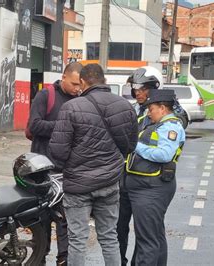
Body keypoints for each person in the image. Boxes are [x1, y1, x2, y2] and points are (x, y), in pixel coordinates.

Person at [48, 63, 138, 266]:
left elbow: (58, 151)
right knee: (109, 237)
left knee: (77, 240)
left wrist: (73, 164)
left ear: (82, 81)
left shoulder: (71, 107)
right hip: (109, 183)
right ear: (103, 80)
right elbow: (131, 146)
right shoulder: (125, 106)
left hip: (78, 185)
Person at [27, 62, 83, 266]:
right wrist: (64, 127)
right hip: (43, 170)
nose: (77, 88)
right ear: (64, 77)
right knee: (42, 218)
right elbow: (34, 125)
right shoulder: (46, 95)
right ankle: (40, 257)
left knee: (65, 219)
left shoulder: (80, 99)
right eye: (75, 83)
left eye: (81, 85)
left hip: (67, 169)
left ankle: (64, 259)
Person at [125, 89, 185, 266]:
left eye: (151, 109)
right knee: (154, 235)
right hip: (147, 187)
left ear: (163, 108)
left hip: (151, 189)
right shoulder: (157, 125)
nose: (149, 113)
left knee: (147, 241)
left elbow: (164, 154)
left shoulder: (170, 127)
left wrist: (135, 146)